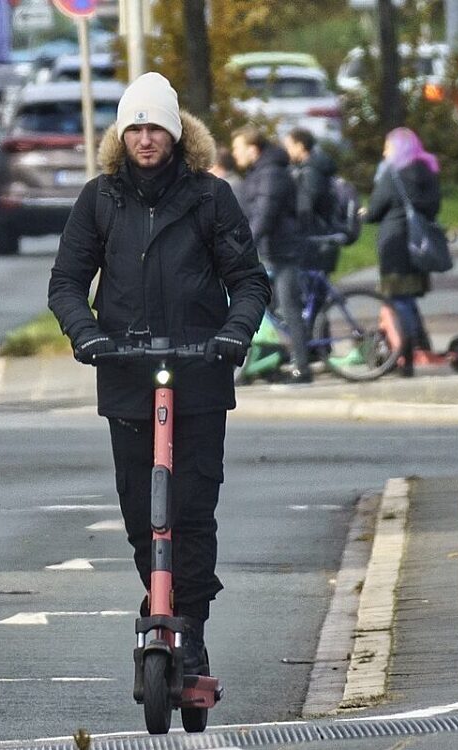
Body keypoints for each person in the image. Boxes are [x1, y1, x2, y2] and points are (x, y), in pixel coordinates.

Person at [47, 72, 271, 676]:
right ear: (123, 135)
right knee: (139, 509)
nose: (146, 139)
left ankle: (189, 626)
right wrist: (87, 334)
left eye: (156, 128)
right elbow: (67, 283)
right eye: (135, 128)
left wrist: (232, 334)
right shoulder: (100, 200)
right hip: (125, 374)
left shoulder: (209, 198)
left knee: (192, 507)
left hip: (199, 374)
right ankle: (160, 599)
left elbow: (249, 281)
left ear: (175, 134)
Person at [360, 127, 442, 377]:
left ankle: (404, 357)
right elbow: (434, 207)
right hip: (419, 244)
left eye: (387, 146)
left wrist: (364, 214)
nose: (384, 151)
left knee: (399, 301)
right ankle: (421, 347)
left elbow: (374, 211)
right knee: (409, 300)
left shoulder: (392, 174)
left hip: (395, 243)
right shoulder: (428, 170)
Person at [231, 127, 311, 384]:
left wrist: (244, 246)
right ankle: (270, 361)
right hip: (272, 250)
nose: (235, 154)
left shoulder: (271, 174)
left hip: (283, 250)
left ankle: (302, 366)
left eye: (238, 148)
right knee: (265, 308)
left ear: (253, 150)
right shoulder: (261, 172)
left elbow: (264, 215)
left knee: (289, 307)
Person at [285, 127, 340, 272]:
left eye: (289, 146)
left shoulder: (311, 172)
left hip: (314, 237)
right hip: (320, 234)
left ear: (300, 146)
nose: (287, 151)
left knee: (309, 286)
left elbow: (306, 205)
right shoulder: (312, 168)